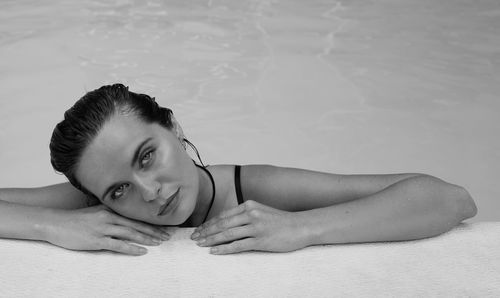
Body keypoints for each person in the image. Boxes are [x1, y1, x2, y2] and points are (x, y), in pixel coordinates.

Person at [0, 84, 477, 256]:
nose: (148, 192)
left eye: (148, 155)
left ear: (173, 126)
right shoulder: (95, 206)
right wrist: (51, 226)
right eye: (118, 190)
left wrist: (302, 227)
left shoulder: (257, 187)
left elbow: (451, 199)